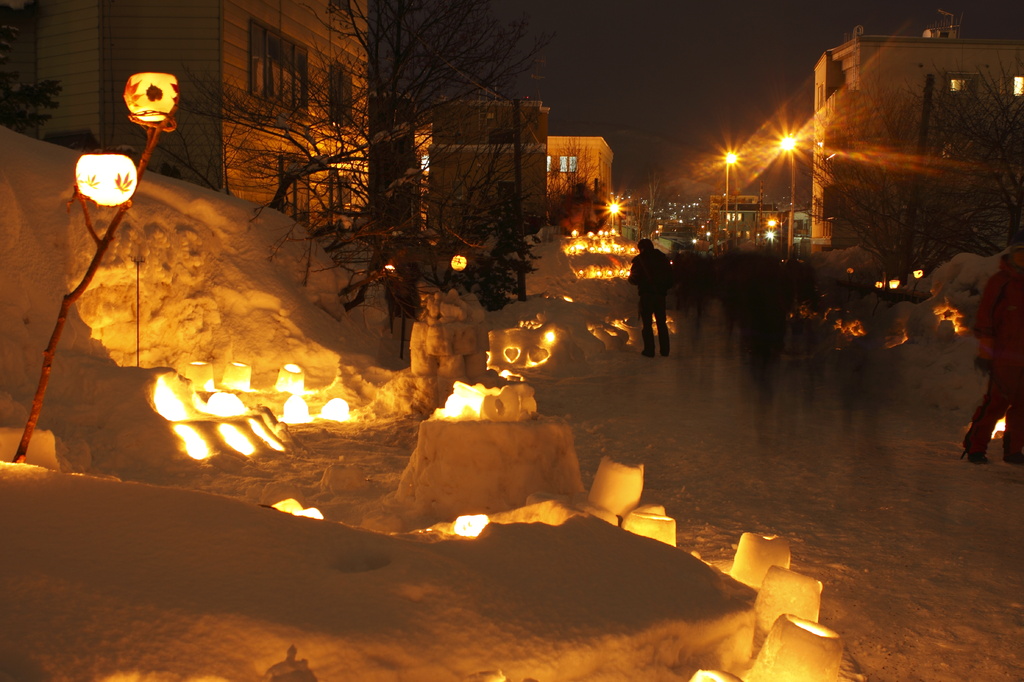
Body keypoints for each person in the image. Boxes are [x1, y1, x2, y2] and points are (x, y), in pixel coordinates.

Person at [963, 231, 1024, 464]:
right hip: (1004, 359)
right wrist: (986, 353)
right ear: (1013, 254)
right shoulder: (1001, 283)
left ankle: (1013, 450)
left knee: (1022, 408)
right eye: (1021, 253)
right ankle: (976, 447)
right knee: (995, 405)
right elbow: (985, 320)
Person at [628, 238, 673, 357]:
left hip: (646, 295)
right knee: (661, 323)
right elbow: (671, 276)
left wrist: (632, 279)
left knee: (647, 324)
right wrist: (663, 288)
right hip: (660, 295)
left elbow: (634, 279)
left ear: (641, 248)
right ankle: (665, 350)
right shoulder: (662, 258)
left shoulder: (640, 260)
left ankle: (649, 350)